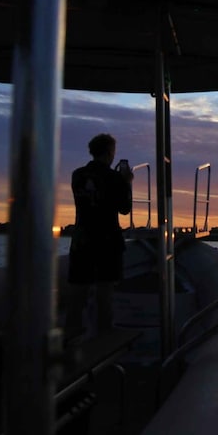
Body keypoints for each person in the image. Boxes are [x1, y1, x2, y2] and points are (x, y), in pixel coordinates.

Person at [66, 133, 133, 342]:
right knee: (105, 289)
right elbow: (125, 208)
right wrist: (127, 182)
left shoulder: (77, 175)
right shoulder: (114, 178)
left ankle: (72, 332)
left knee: (78, 289)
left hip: (81, 240)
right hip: (107, 240)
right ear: (109, 152)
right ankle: (105, 333)